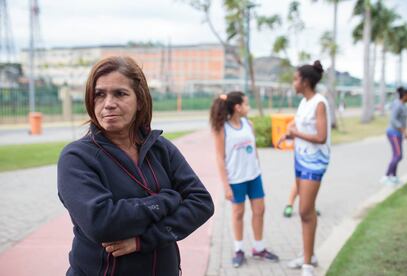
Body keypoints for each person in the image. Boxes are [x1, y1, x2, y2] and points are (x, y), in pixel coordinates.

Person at [57, 56, 214, 276]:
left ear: (139, 100)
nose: (108, 103)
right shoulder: (76, 157)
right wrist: (166, 200)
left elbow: (202, 203)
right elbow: (101, 223)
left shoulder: (161, 148)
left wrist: (143, 240)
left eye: (120, 93)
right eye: (99, 94)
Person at [209, 91, 279, 268]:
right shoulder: (222, 128)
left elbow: (254, 150)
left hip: (254, 177)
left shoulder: (249, 124)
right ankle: (239, 249)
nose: (249, 107)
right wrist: (226, 186)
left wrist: (258, 168)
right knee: (238, 213)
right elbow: (219, 158)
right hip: (236, 180)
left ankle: (258, 248)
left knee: (260, 210)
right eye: (247, 104)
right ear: (237, 107)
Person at [277, 60, 330, 276]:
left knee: (305, 211)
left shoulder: (319, 103)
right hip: (300, 159)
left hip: (315, 162)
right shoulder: (304, 103)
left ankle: (308, 264)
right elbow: (301, 129)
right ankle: (310, 255)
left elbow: (321, 136)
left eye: (296, 78)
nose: (293, 82)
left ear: (305, 82)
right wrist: (289, 134)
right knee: (307, 211)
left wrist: (295, 133)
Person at [380, 86, 407, 185]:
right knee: (398, 155)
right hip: (393, 133)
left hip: (398, 134)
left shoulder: (404, 106)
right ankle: (386, 176)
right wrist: (404, 131)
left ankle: (393, 177)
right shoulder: (397, 104)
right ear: (405, 95)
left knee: (398, 156)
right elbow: (393, 120)